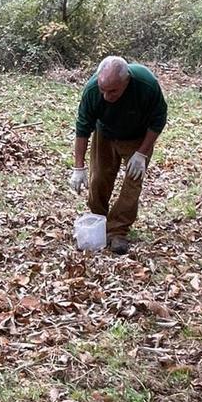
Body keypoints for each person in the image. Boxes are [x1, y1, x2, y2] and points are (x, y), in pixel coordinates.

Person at [71, 56, 167, 255]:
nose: (106, 96)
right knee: (98, 178)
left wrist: (141, 153)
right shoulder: (91, 91)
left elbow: (158, 120)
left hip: (137, 137)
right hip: (104, 134)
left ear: (126, 81)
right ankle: (98, 220)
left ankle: (117, 231)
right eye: (102, 89)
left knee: (133, 182)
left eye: (113, 91)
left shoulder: (146, 85)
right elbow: (82, 128)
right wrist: (78, 167)